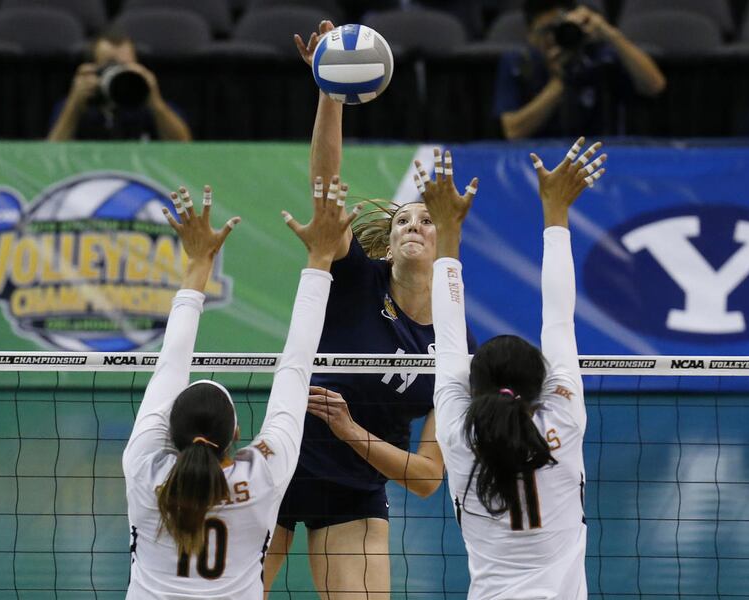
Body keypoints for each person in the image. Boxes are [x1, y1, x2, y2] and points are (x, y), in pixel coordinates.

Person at [263, 20, 476, 600]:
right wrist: (330, 95)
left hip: (356, 488)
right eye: (403, 219)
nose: (413, 225)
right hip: (284, 460)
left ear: (445, 240)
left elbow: (428, 478)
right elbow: (326, 189)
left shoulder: (457, 343)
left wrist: (349, 430)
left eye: (426, 220)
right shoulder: (357, 278)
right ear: (389, 242)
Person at [122, 180, 358, 598]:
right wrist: (321, 259)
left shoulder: (144, 467)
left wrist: (197, 264)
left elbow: (170, 365)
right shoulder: (262, 474)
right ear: (235, 433)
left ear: (169, 431)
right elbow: (296, 366)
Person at [421, 137, 605, 598]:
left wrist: (447, 231)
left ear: (473, 385)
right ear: (540, 384)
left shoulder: (457, 434)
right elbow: (559, 321)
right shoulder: (564, 419)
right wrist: (556, 210)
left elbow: (448, 336)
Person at [495, 0, 666, 139]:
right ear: (530, 35)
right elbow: (513, 131)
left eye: (559, 29)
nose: (554, 38)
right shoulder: (519, 63)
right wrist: (561, 80)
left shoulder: (599, 56)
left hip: (600, 157)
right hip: (540, 162)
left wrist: (609, 33)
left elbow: (655, 86)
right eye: (546, 31)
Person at [48, 32, 191, 141]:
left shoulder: (147, 103)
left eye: (125, 66)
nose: (117, 72)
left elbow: (184, 146)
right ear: (92, 68)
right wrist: (74, 104)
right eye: (109, 65)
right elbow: (50, 153)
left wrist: (155, 101)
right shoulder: (76, 104)